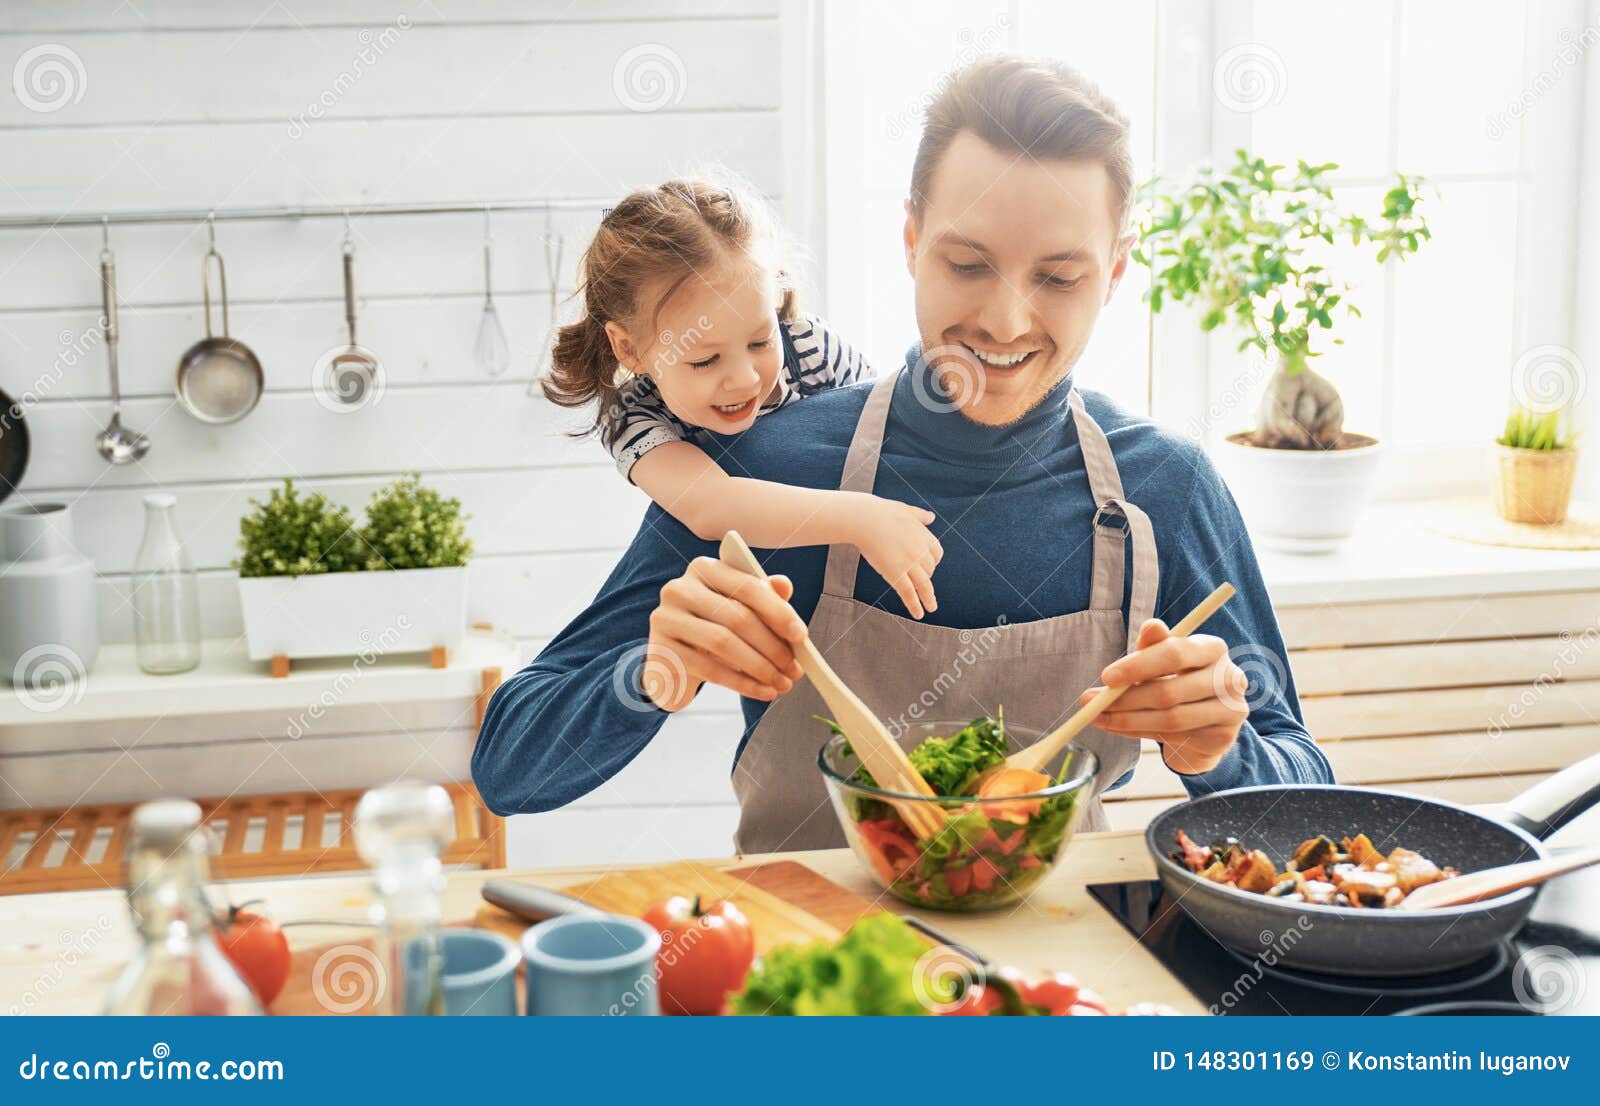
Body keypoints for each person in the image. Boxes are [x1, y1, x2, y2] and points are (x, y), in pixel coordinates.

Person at [475, 56, 1333, 853]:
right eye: (967, 262)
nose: (1005, 321)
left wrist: (1220, 751)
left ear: (1114, 273)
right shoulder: (762, 472)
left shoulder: (1166, 490)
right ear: (912, 241)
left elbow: (1308, 815)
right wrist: (654, 669)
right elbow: (510, 768)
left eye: (1059, 278)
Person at [540, 176, 943, 618]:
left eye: (759, 342)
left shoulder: (806, 343)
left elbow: (888, 432)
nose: (746, 379)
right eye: (705, 360)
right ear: (630, 349)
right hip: (785, 601)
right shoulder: (633, 418)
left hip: (867, 582)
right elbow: (711, 505)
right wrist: (860, 518)